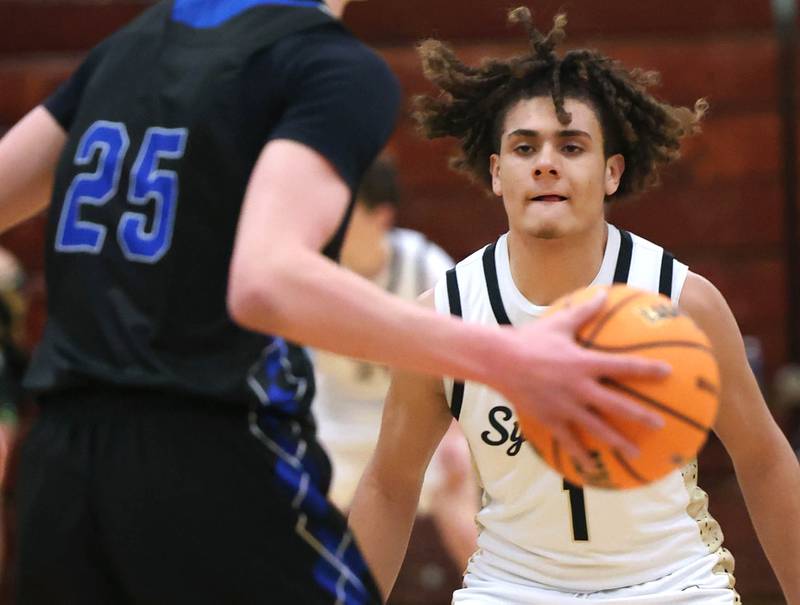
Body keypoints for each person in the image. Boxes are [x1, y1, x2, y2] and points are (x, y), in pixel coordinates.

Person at [0, 0, 672, 603]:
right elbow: (265, 282)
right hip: (211, 452)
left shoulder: (126, 48)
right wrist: (512, 357)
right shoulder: (324, 62)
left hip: (60, 462)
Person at [349, 8, 800, 605]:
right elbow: (388, 485)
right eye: (524, 147)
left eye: (571, 146)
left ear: (612, 172)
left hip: (674, 586)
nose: (546, 162)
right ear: (496, 173)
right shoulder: (446, 315)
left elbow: (764, 460)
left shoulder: (681, 301)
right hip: (510, 589)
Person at [313, 157, 479, 579]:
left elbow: (460, 360)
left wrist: (455, 437)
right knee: (295, 509)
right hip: (334, 419)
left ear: (380, 216)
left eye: (344, 208)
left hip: (410, 415)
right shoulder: (313, 269)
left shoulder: (424, 264)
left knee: (459, 495)